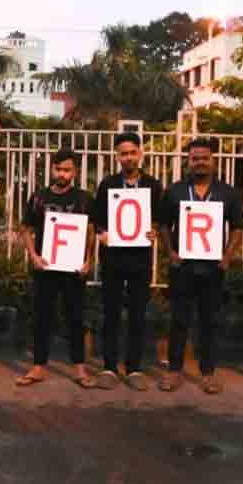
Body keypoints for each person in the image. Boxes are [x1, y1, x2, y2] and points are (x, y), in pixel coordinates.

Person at [158, 138, 243, 395]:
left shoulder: (228, 192)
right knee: (179, 319)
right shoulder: (174, 191)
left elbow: (238, 227)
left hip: (212, 268)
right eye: (195, 158)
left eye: (205, 158)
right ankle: (174, 370)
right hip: (183, 266)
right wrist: (170, 252)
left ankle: (208, 373)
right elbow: (163, 225)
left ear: (213, 160)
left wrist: (228, 255)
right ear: (188, 161)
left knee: (210, 321)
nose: (200, 162)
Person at [15, 149, 95, 387]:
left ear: (75, 171)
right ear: (52, 169)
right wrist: (33, 256)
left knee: (75, 318)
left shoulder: (83, 198)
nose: (62, 174)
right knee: (42, 317)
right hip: (46, 267)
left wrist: (88, 260)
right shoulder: (39, 197)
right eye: (58, 169)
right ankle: (38, 366)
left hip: (73, 270)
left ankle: (79, 368)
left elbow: (90, 232)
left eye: (67, 170)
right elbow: (26, 229)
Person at [91, 132, 163, 391]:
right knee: (110, 312)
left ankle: (134, 368)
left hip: (140, 258)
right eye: (123, 153)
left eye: (133, 152)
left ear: (140, 154)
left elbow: (158, 219)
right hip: (112, 258)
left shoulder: (153, 186)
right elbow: (97, 219)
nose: (128, 157)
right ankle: (109, 366)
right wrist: (102, 234)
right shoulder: (108, 184)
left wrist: (154, 230)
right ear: (117, 156)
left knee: (137, 314)